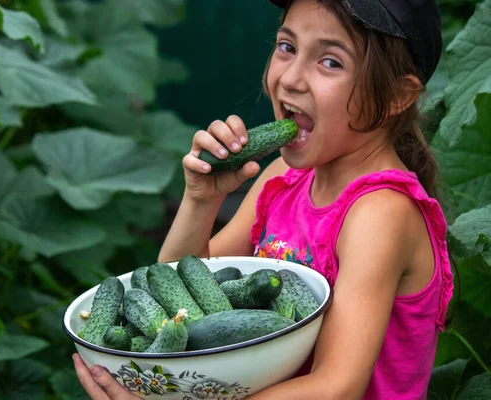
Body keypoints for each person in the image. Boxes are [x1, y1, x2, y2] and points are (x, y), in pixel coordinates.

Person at [73, 0, 454, 398]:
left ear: (397, 96)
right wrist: (201, 201)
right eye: (287, 46)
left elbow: (337, 387)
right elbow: (179, 293)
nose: (290, 78)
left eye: (330, 62)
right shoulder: (283, 179)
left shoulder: (380, 213)